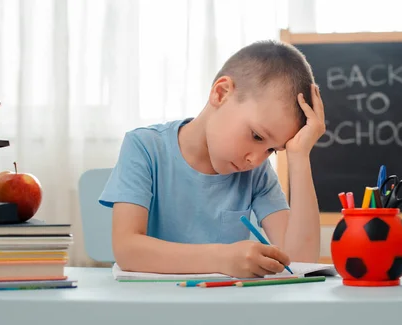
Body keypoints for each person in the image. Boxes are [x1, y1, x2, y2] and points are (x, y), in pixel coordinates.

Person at [99, 40, 325, 278]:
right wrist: (222, 258)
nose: (256, 160)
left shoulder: (255, 173)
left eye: (272, 150)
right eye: (257, 136)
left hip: (224, 307)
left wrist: (300, 157)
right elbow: (127, 250)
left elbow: (300, 261)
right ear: (221, 93)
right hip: (154, 306)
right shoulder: (145, 147)